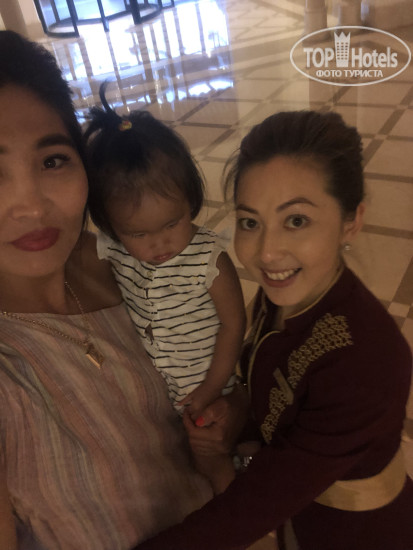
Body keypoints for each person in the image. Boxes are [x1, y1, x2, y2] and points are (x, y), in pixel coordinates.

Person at [134, 111, 413, 550]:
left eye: (296, 221)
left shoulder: (366, 359)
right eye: (250, 222)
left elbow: (254, 507)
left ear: (352, 221)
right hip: (302, 515)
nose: (266, 252)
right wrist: (237, 408)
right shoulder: (287, 296)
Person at [0, 29, 235, 550]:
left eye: (52, 160)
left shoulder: (132, 258)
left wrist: (225, 416)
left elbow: (216, 370)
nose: (31, 205)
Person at [84, 85, 245, 423]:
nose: (159, 244)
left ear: (190, 199)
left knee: (212, 446)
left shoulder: (209, 260)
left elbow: (234, 325)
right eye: (138, 234)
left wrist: (211, 389)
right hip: (157, 398)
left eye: (172, 223)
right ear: (111, 226)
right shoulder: (116, 252)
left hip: (210, 391)